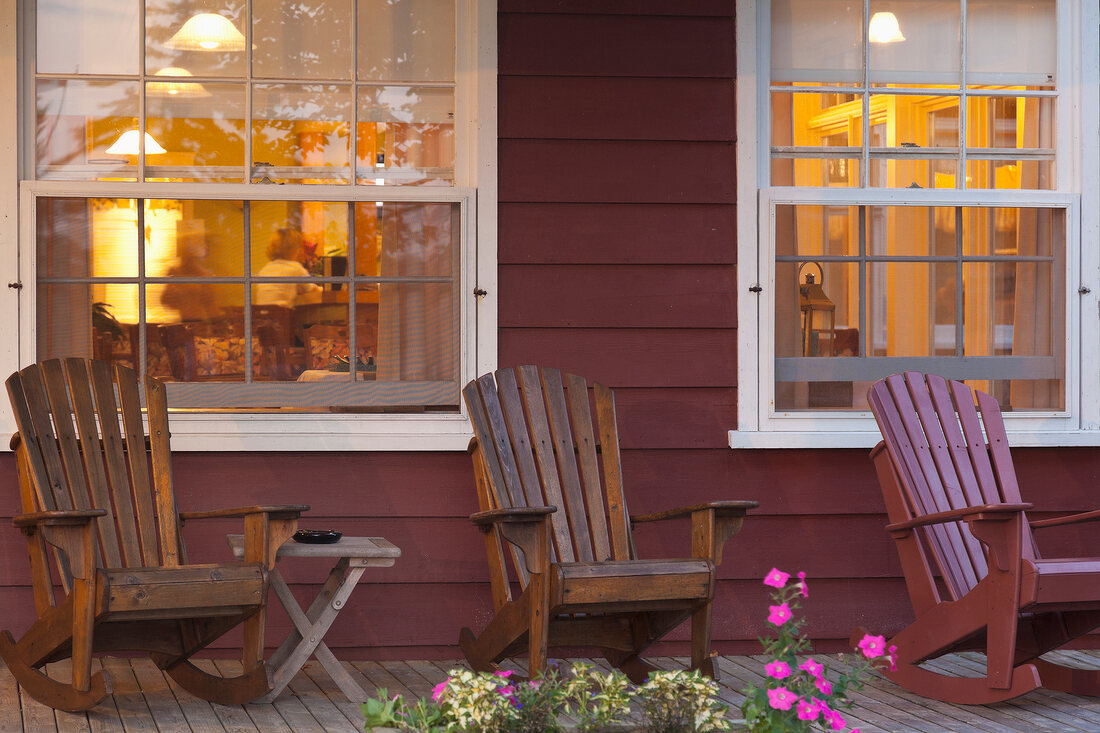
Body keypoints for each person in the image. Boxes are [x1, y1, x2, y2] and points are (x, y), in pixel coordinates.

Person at [254, 228, 322, 307]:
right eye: (298, 247)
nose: (300, 251)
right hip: (281, 315)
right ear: (292, 249)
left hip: (260, 315)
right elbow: (312, 289)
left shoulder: (265, 269)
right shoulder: (295, 268)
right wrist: (324, 289)